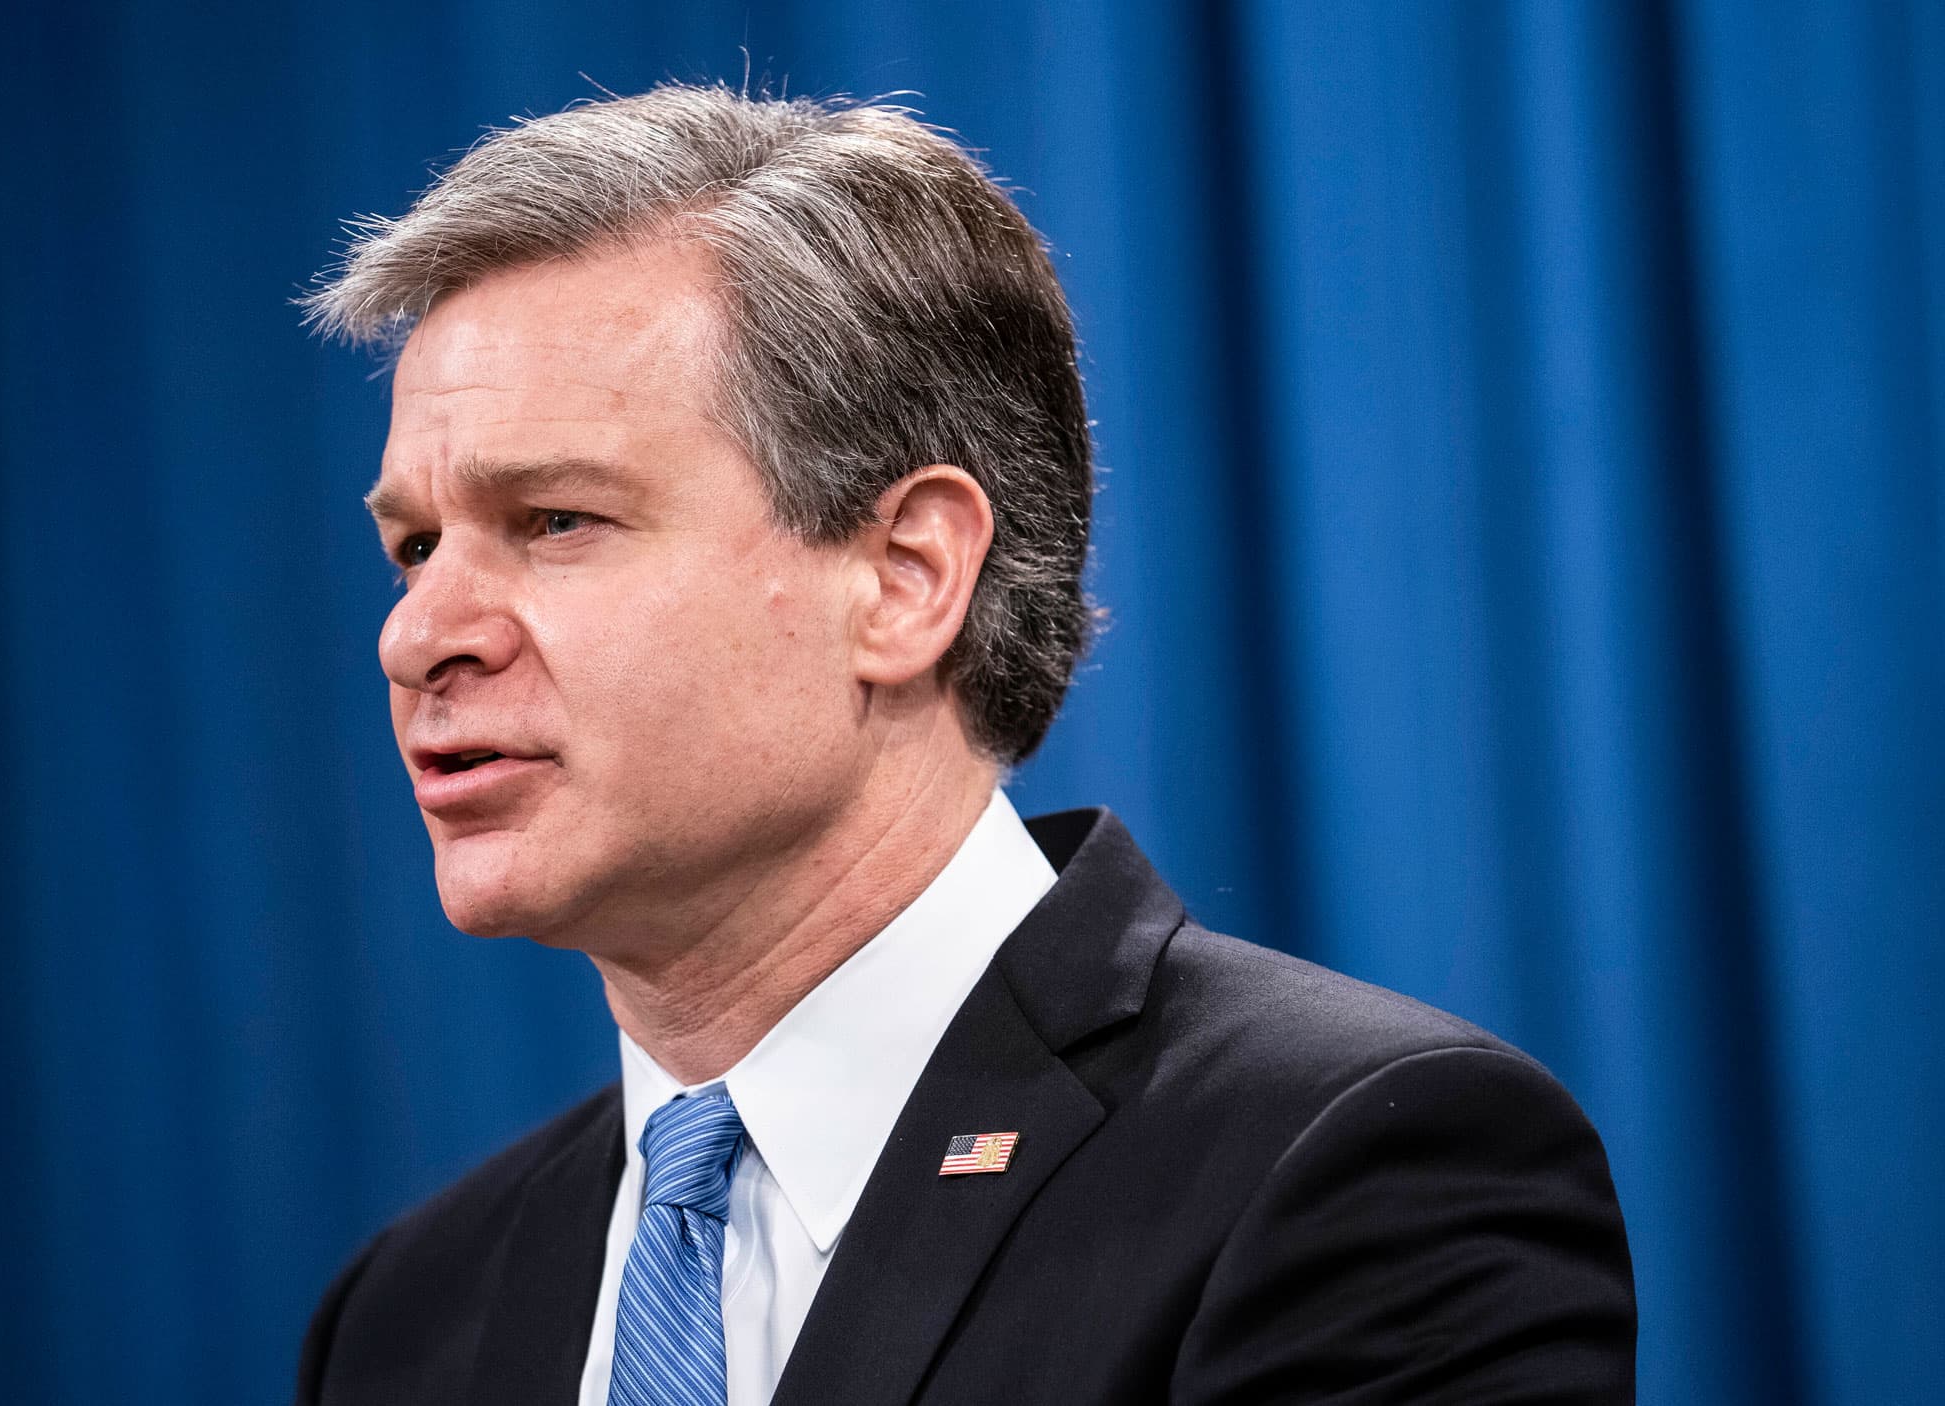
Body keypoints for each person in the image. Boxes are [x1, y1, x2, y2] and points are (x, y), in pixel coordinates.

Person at [293, 83, 1635, 1405]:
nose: (418, 637)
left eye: (556, 519)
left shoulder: (1354, 1178)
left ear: (904, 575)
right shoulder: (405, 1319)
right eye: (413, 546)